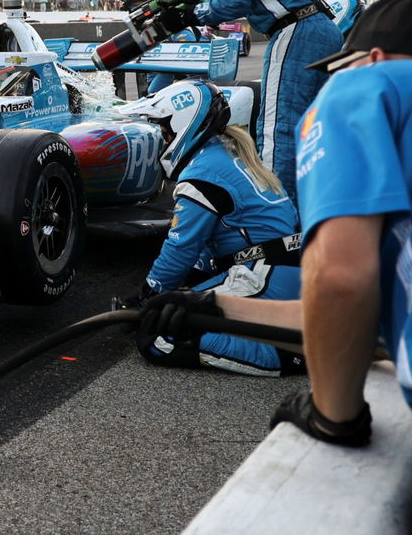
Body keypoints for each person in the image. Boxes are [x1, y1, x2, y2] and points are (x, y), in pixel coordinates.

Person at [141, 0, 412, 534]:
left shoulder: (365, 89)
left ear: (370, 58)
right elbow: (365, 326)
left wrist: (334, 415)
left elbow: (342, 279)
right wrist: (211, 306)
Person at [166, 0, 343, 207]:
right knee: (317, 131)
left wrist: (197, 12)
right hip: (317, 27)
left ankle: (276, 225)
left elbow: (233, 1)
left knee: (278, 131)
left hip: (295, 30)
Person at [118, 80, 304, 377]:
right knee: (176, 307)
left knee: (159, 335)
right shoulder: (227, 153)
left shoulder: (201, 172)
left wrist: (148, 294)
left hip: (263, 275)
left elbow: (181, 246)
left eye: (163, 131)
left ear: (183, 125)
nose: (161, 140)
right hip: (283, 271)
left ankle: (289, 354)